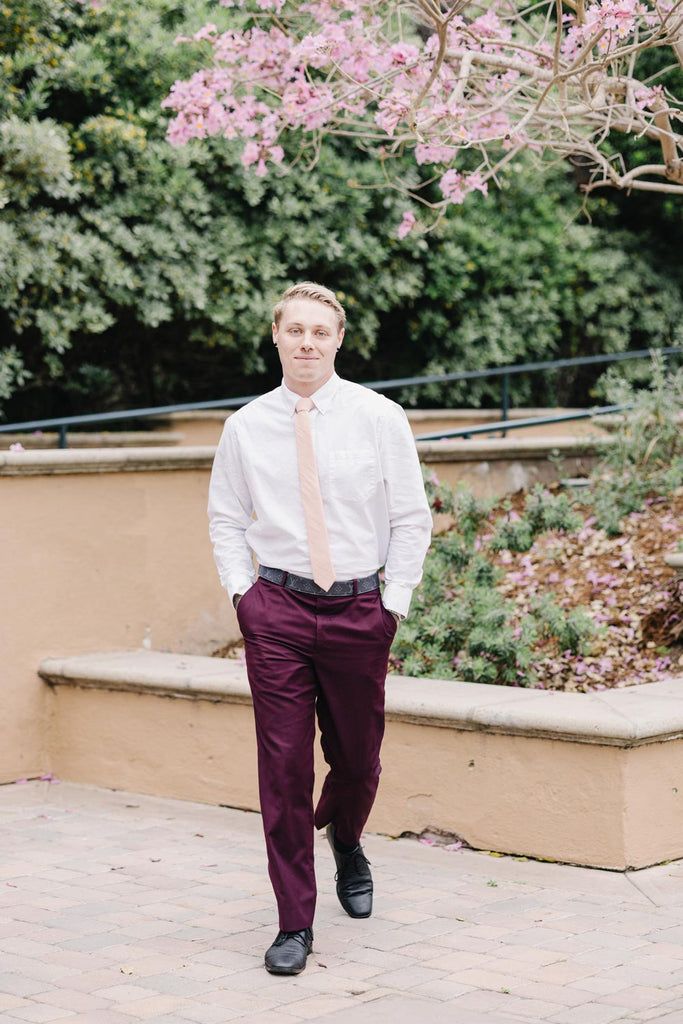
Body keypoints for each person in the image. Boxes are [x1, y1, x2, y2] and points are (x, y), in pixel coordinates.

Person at [207, 282, 432, 975]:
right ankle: (294, 923)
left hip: (359, 611)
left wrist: (391, 602)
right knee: (281, 771)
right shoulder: (245, 426)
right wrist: (243, 595)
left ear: (338, 340)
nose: (307, 342)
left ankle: (348, 838)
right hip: (275, 611)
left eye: (319, 332)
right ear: (275, 336)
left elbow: (410, 518)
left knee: (358, 760)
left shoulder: (379, 417)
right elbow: (224, 517)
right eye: (294, 330)